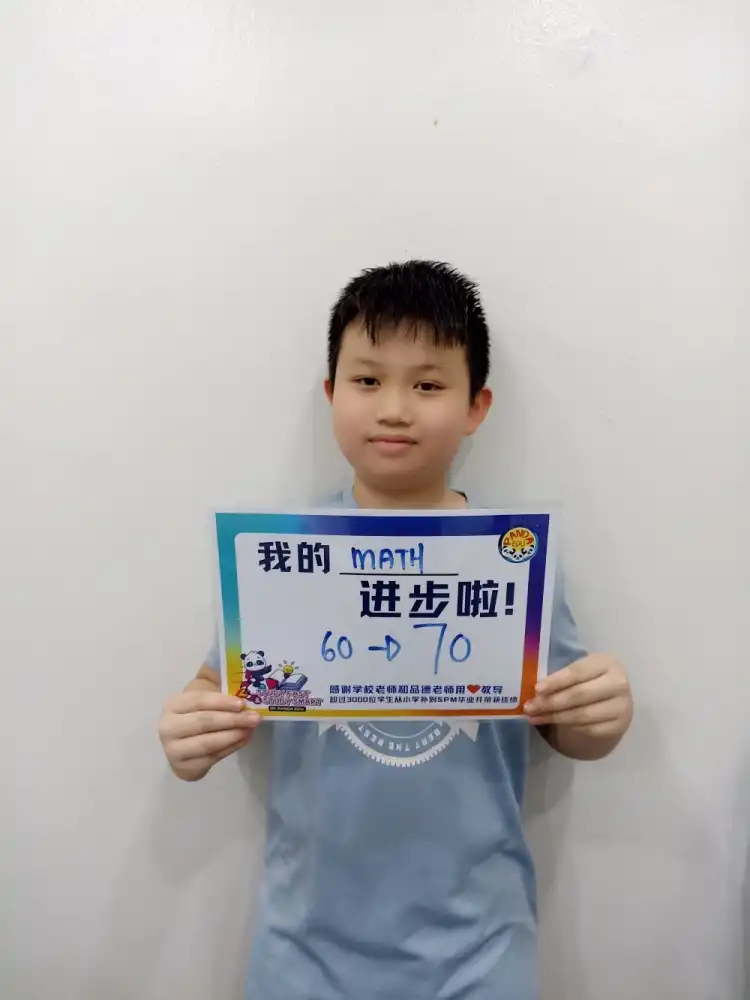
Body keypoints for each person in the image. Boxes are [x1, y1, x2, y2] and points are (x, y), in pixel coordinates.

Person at [158, 260, 633, 1000]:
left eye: (429, 385)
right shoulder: (280, 556)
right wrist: (190, 731)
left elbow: (566, 723)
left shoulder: (513, 557)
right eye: (367, 380)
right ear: (331, 394)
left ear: (476, 406)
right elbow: (216, 688)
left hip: (481, 949)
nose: (395, 409)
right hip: (304, 950)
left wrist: (601, 715)